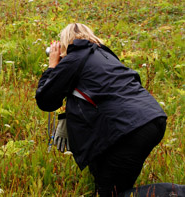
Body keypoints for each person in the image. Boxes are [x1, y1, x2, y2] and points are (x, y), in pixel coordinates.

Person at [35, 23, 167, 196]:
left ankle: (174, 192)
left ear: (65, 43)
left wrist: (53, 65)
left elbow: (45, 100)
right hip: (151, 118)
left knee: (110, 192)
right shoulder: (105, 55)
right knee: (115, 184)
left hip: (130, 129)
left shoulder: (74, 58)